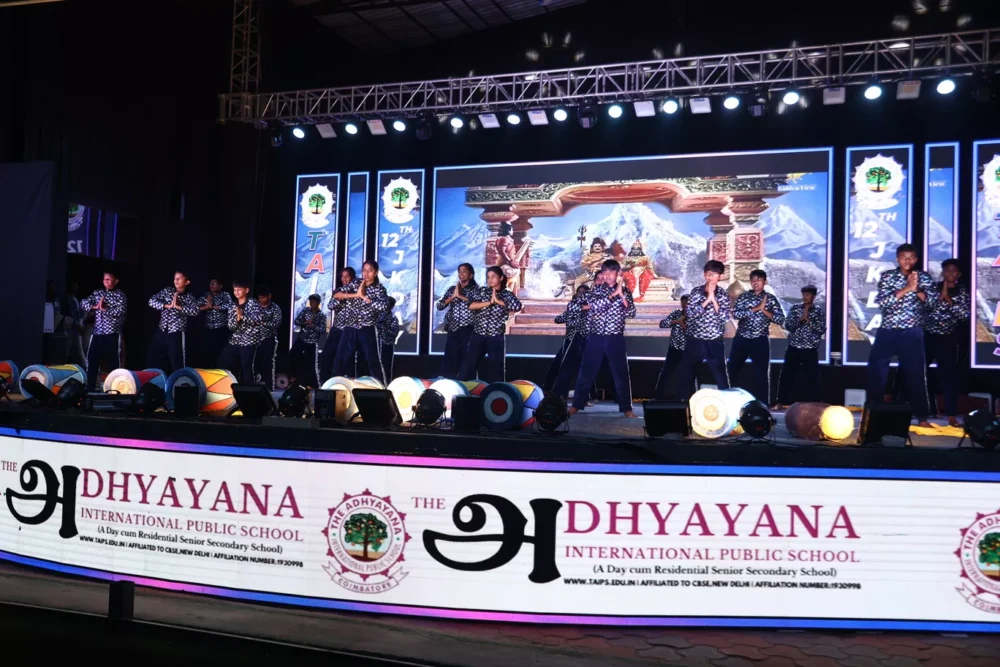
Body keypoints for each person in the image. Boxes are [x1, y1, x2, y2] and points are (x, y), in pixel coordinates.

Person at [866, 243, 934, 427]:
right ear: (897, 259)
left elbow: (932, 304)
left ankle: (922, 417)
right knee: (877, 373)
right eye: (904, 257)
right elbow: (883, 303)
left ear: (916, 259)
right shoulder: (888, 276)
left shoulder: (924, 278)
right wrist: (906, 288)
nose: (907, 261)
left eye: (911, 257)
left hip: (912, 332)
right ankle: (873, 414)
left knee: (916, 375)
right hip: (888, 330)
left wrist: (917, 289)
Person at [567, 259, 635, 417]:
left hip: (615, 337)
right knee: (586, 372)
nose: (608, 275)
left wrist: (621, 296)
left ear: (618, 273)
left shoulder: (625, 291)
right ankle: (576, 405)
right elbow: (589, 308)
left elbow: (631, 312)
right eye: (605, 272)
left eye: (612, 272)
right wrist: (612, 296)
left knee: (621, 373)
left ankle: (627, 408)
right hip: (595, 336)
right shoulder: (595, 291)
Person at [921, 258, 970, 426]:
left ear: (959, 274)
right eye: (947, 270)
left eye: (953, 271)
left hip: (948, 339)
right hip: (929, 336)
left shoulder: (962, 292)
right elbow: (926, 309)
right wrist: (938, 299)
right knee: (919, 374)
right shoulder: (933, 288)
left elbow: (965, 316)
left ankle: (951, 415)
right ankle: (924, 412)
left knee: (949, 378)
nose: (950, 273)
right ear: (943, 272)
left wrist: (950, 301)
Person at [675, 260, 731, 402]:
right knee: (686, 373)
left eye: (714, 274)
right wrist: (706, 301)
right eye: (708, 273)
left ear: (720, 276)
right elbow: (690, 313)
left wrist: (714, 300)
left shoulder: (723, 294)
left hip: (714, 340)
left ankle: (726, 402)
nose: (710, 276)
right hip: (695, 339)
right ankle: (685, 403)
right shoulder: (696, 291)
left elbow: (724, 317)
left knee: (720, 374)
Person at [728, 269, 784, 404]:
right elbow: (736, 314)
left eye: (759, 279)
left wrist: (764, 310)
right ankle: (729, 400)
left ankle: (762, 404)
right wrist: (756, 308)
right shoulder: (744, 296)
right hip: (742, 338)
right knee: (732, 370)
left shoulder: (770, 299)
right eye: (753, 280)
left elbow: (780, 319)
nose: (755, 282)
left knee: (761, 374)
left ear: (765, 282)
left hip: (760, 339)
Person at [458, 266, 523, 383]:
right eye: (488, 277)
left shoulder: (506, 294)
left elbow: (517, 306)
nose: (490, 279)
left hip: (495, 336)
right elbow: (471, 305)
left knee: (496, 369)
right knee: (468, 366)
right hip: (478, 335)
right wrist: (489, 302)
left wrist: (498, 301)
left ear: (501, 278)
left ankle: (497, 391)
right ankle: (464, 389)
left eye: (493, 276)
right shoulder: (482, 291)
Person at [332, 260, 389, 383]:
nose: (366, 273)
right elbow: (336, 294)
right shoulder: (355, 283)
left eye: (370, 270)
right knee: (340, 359)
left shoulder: (379, 289)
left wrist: (365, 298)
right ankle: (333, 387)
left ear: (376, 272)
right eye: (364, 270)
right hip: (350, 327)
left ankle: (381, 388)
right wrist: (356, 295)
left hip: (367, 328)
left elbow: (384, 306)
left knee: (373, 361)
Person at [776, 285, 825, 407]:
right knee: (786, 376)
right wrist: (800, 320)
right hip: (794, 348)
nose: (805, 297)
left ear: (814, 296)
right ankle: (781, 402)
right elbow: (788, 326)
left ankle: (817, 403)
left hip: (810, 350)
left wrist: (808, 320)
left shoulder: (818, 311)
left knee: (813, 378)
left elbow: (821, 329)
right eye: (804, 294)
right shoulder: (795, 309)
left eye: (808, 294)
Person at [80, 272, 127, 391]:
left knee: (113, 362)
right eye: (104, 279)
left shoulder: (120, 295)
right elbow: (83, 303)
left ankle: (114, 389)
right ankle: (90, 388)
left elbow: (121, 311)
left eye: (108, 279)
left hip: (112, 333)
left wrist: (106, 308)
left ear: (116, 281)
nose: (105, 281)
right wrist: (95, 307)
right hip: (97, 333)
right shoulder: (98, 293)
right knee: (92, 360)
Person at [147, 271, 200, 374]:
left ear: (187, 282)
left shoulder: (189, 297)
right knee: (155, 359)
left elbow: (196, 311)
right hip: (162, 330)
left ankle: (180, 381)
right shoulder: (168, 291)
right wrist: (167, 305)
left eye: (179, 278)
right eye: (175, 278)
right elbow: (151, 301)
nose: (176, 280)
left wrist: (179, 307)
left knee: (177, 362)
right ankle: (156, 381)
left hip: (177, 332)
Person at [543, 285, 589, 397]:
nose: (581, 295)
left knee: (584, 369)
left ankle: (585, 396)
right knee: (562, 367)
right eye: (580, 292)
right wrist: (570, 317)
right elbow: (558, 319)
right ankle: (552, 391)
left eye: (584, 293)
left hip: (583, 342)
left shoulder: (588, 311)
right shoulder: (572, 307)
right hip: (570, 341)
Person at [437, 263, 478, 379]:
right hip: (453, 328)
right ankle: (448, 380)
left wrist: (460, 296)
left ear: (471, 275)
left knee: (467, 357)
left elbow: (478, 304)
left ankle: (468, 382)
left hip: (469, 328)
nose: (461, 274)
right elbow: (440, 306)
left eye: (464, 271)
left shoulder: (476, 290)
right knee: (450, 356)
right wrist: (453, 297)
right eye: (459, 271)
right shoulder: (452, 289)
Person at [217, 280, 262, 384]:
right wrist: (237, 320)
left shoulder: (253, 303)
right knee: (222, 361)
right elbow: (231, 326)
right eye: (235, 290)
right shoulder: (233, 305)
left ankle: (249, 390)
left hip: (249, 340)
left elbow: (257, 320)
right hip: (235, 340)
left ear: (246, 290)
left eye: (239, 289)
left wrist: (242, 317)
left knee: (246, 367)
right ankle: (230, 386)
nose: (236, 292)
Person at [653, 295, 690, 400]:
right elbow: (662, 324)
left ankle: (687, 398)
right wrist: (676, 321)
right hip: (674, 349)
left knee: (688, 374)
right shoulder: (676, 313)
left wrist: (683, 324)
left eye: (687, 303)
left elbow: (693, 333)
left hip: (688, 350)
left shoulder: (695, 316)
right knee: (666, 373)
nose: (685, 305)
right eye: (683, 303)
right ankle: (658, 397)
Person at [289, 294, 324, 388]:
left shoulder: (321, 315)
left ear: (318, 303)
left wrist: (313, 326)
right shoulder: (305, 311)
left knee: (312, 363)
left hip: (312, 342)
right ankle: (294, 378)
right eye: (311, 302)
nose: (312, 304)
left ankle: (316, 385)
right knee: (292, 355)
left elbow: (322, 330)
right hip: (302, 338)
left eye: (314, 302)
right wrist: (305, 322)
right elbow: (296, 321)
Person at [198, 278, 233, 368]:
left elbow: (230, 306)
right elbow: (196, 307)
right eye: (211, 283)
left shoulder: (225, 295)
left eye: (214, 283)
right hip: (208, 329)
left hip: (221, 329)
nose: (212, 285)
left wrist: (214, 306)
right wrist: (206, 307)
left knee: (220, 353)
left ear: (220, 286)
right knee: (208, 352)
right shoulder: (206, 295)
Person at [253, 286, 282, 391]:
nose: (261, 300)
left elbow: (276, 324)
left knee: (268, 363)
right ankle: (252, 386)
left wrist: (263, 323)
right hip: (255, 339)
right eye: (260, 298)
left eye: (263, 297)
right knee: (253, 363)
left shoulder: (275, 308)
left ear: (269, 296)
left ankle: (269, 387)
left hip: (269, 340)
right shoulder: (255, 306)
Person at [62, 279, 87, 368]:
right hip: (70, 328)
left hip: (77, 328)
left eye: (77, 286)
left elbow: (79, 314)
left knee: (77, 348)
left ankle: (82, 366)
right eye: (75, 286)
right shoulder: (68, 299)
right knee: (68, 348)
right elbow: (70, 314)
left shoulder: (76, 299)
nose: (77, 287)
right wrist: (76, 325)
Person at [377, 296, 400, 381]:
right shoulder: (377, 316)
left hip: (387, 345)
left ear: (392, 306)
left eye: (388, 304)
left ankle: (387, 383)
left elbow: (394, 333)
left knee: (386, 366)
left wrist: (385, 328)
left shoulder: (393, 318)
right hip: (375, 345)